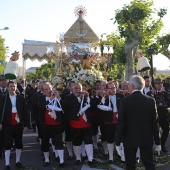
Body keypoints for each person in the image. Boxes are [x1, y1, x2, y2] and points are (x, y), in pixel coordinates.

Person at [115, 75, 161, 170]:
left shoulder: (125, 101)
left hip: (130, 138)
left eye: (128, 85)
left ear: (132, 86)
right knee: (149, 164)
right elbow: (155, 122)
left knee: (130, 165)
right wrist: (158, 141)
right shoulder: (151, 101)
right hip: (146, 137)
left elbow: (121, 122)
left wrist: (117, 141)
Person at [0, 81, 29, 170]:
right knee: (7, 144)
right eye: (11, 86)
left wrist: (26, 125)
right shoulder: (3, 98)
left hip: (18, 124)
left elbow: (25, 112)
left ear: (16, 87)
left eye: (14, 86)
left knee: (19, 144)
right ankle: (7, 164)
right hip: (7, 125)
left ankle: (18, 162)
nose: (13, 88)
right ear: (8, 88)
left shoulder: (20, 98)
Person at [147, 78, 170, 153]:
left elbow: (168, 103)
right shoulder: (150, 93)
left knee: (166, 130)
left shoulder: (165, 93)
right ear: (155, 85)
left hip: (164, 115)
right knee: (155, 132)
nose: (160, 85)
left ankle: (162, 145)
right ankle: (156, 147)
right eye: (158, 83)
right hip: (155, 115)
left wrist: (163, 104)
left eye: (161, 83)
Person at [0, 75, 8, 159]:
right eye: (1, 80)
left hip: (8, 117)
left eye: (5, 80)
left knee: (7, 136)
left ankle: (7, 151)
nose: (3, 82)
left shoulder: (12, 91)